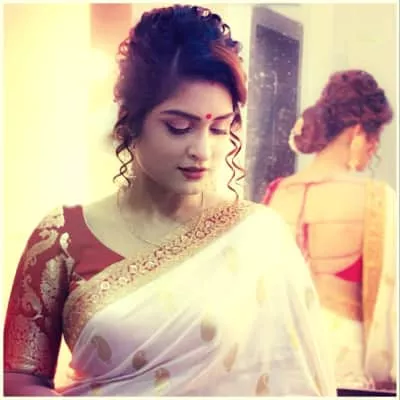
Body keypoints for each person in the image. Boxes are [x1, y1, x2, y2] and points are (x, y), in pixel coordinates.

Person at [4, 5, 336, 396]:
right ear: (129, 120)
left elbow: (293, 378)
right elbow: (18, 379)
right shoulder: (59, 239)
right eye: (179, 127)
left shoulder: (260, 238)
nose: (203, 151)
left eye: (219, 129)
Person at [262, 70, 397, 391]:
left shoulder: (277, 194)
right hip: (345, 368)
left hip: (283, 362)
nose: (374, 148)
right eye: (375, 137)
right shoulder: (377, 199)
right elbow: (393, 303)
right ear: (359, 132)